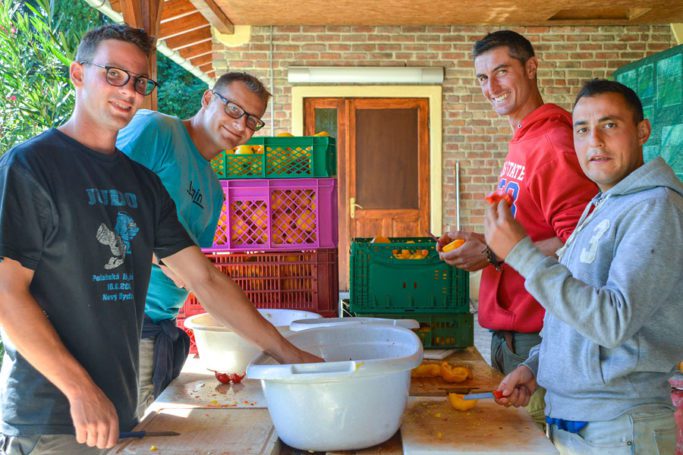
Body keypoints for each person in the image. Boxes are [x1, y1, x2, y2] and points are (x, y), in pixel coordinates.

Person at [0, 24, 318, 454]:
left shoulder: (142, 184)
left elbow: (205, 280)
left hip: (118, 405)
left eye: (139, 82)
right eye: (113, 74)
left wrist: (289, 355)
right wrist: (80, 390)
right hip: (53, 415)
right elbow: (5, 293)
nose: (128, 91)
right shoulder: (31, 165)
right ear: (77, 73)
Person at [485, 79, 682, 454]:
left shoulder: (655, 207)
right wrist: (538, 366)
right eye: (582, 129)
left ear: (642, 132)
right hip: (581, 424)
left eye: (610, 125)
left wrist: (521, 254)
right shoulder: (605, 204)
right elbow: (578, 313)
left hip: (620, 427)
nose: (595, 141)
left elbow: (612, 321)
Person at [437, 30, 598, 423]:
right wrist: (483, 241)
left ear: (531, 67)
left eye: (501, 72)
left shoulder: (554, 143)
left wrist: (494, 253)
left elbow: (583, 243)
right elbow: (530, 230)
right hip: (509, 336)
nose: (491, 88)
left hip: (538, 337)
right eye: (482, 77)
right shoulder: (525, 139)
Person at [116, 72, 270, 417]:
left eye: (252, 120)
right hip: (120, 322)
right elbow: (99, 205)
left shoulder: (213, 191)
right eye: (233, 109)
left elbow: (195, 273)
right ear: (207, 99)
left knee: (142, 433)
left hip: (160, 328)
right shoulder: (158, 130)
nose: (240, 125)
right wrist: (161, 259)